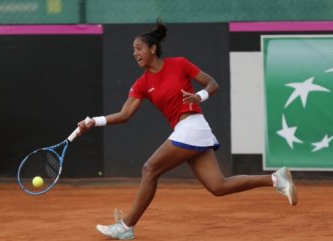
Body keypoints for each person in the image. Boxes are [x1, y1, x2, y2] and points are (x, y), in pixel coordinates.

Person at [77, 20, 298, 240]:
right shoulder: (142, 84)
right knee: (218, 186)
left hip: (193, 125)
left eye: (139, 48)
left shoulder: (180, 64)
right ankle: (275, 179)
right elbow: (124, 114)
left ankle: (126, 226)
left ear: (152, 49)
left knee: (150, 168)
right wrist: (93, 121)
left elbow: (212, 83)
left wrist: (199, 96)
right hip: (189, 131)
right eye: (133, 50)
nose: (135, 53)